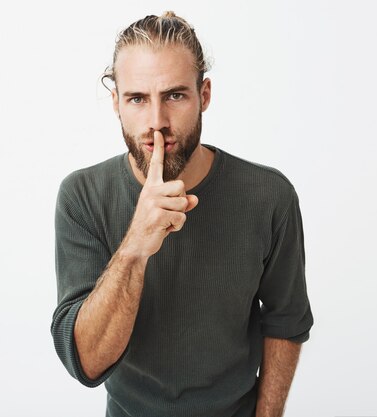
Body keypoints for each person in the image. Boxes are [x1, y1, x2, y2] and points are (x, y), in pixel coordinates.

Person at [51, 11, 314, 417]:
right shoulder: (82, 196)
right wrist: (136, 246)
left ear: (204, 95)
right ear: (117, 103)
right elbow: (86, 362)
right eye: (137, 99)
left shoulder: (269, 195)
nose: (157, 122)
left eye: (175, 95)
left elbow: (286, 322)